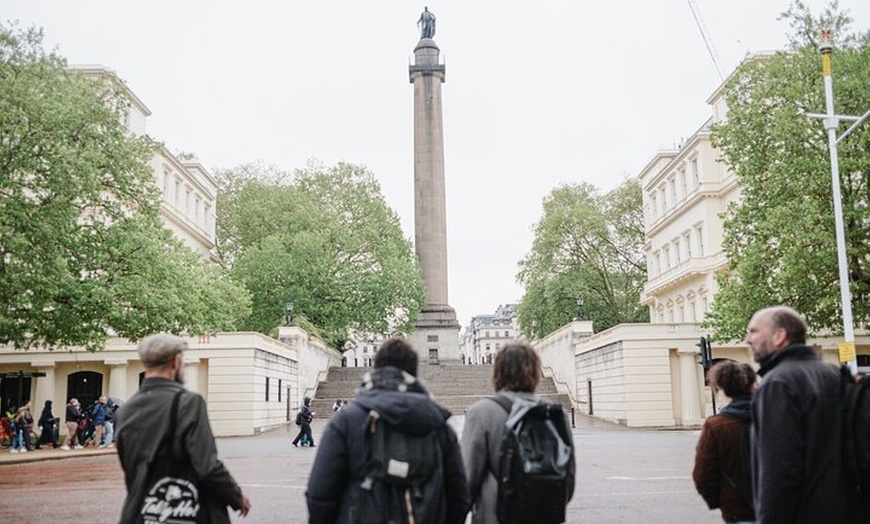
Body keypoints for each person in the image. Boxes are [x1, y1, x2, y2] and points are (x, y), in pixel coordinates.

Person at [306, 338, 471, 524]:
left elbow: (319, 494)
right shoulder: (440, 426)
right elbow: (459, 498)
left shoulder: (345, 421)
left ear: (376, 368)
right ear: (414, 371)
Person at [746, 306, 866, 522]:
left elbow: (780, 470)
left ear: (779, 336)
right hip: (848, 510)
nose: (748, 340)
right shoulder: (834, 374)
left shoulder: (778, 383)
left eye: (754, 331)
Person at [115, 333, 251, 523]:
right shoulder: (188, 403)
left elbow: (130, 466)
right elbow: (208, 466)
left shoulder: (125, 410)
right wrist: (235, 497)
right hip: (186, 512)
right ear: (176, 362)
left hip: (140, 511)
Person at [460, 342, 575, 524]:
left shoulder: (481, 413)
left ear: (498, 372)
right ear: (535, 372)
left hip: (495, 516)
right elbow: (568, 476)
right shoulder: (555, 414)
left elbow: (467, 479)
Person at [693, 361, 757, 523]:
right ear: (753, 385)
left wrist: (722, 501)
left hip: (738, 510)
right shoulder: (775, 415)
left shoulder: (716, 425)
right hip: (778, 507)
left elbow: (703, 475)